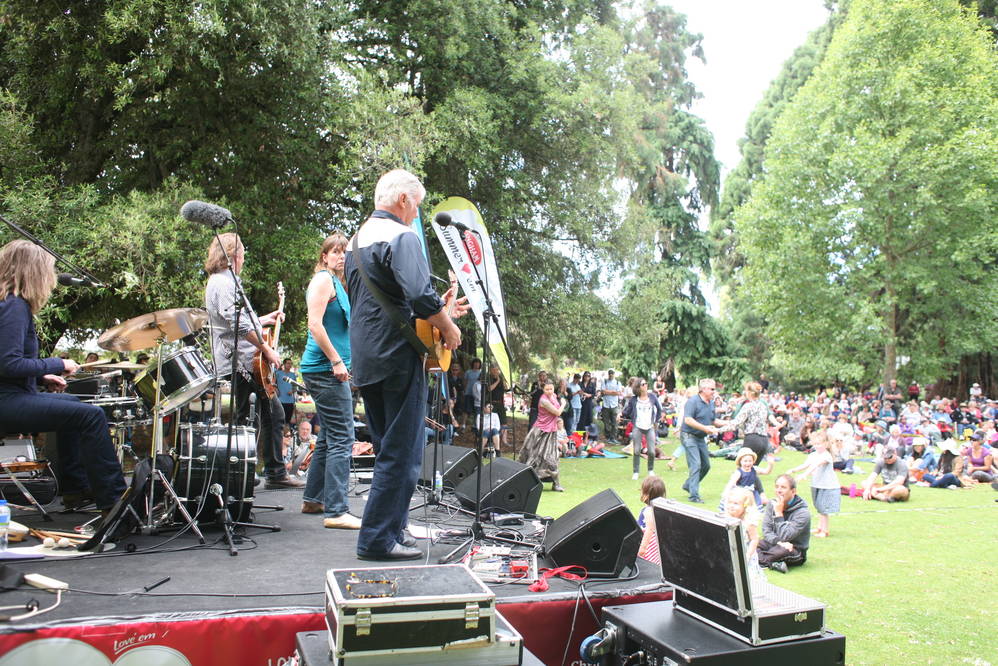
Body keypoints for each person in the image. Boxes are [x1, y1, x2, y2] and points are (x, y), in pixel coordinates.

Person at [345, 169, 466, 560]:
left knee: (387, 450)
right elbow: (417, 294)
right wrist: (447, 326)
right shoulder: (402, 235)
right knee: (403, 453)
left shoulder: (356, 240)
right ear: (402, 200)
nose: (417, 213)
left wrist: (441, 310)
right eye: (416, 204)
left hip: (366, 355)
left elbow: (388, 299)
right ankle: (377, 540)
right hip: (398, 356)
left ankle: (394, 530)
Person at [0, 240, 127, 512]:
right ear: (33, 271)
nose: (52, 278)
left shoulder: (10, 304)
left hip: (12, 393)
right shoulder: (14, 307)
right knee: (90, 416)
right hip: (7, 401)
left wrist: (42, 377)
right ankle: (115, 503)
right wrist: (56, 363)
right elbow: (8, 364)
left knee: (74, 406)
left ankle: (76, 488)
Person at [204, 233, 303, 489]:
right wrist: (266, 349)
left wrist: (263, 319)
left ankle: (246, 472)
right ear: (233, 255)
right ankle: (268, 473)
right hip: (242, 363)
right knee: (267, 415)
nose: (244, 258)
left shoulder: (224, 281)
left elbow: (236, 321)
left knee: (252, 417)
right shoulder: (224, 283)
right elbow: (236, 326)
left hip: (243, 361)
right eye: (243, 253)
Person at [299, 233, 361, 529]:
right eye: (335, 252)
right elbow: (314, 324)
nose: (340, 257)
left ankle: (314, 498)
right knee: (343, 437)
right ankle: (337, 511)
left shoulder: (339, 283)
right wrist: (336, 361)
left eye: (344, 252)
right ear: (324, 256)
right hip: (324, 369)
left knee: (327, 437)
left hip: (329, 369)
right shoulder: (323, 280)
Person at [680, 378, 725, 504]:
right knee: (696, 465)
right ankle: (694, 496)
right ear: (703, 389)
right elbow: (688, 420)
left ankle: (688, 485)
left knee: (706, 465)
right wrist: (705, 428)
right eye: (712, 389)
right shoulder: (692, 401)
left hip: (700, 437)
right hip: (688, 436)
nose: (714, 392)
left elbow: (713, 421)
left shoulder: (710, 403)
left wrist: (730, 423)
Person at [790, 431, 840, 538]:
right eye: (816, 444)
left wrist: (805, 475)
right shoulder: (813, 454)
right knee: (818, 507)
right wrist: (793, 470)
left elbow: (815, 465)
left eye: (820, 444)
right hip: (816, 484)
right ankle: (819, 528)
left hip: (827, 486)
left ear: (826, 444)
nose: (817, 446)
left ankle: (825, 531)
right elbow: (806, 464)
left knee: (823, 509)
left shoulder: (826, 456)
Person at [758, 474, 811, 573]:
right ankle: (772, 563)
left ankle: (757, 560)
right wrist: (778, 542)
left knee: (782, 551)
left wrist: (779, 513)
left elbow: (785, 536)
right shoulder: (771, 504)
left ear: (793, 491)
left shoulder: (803, 513)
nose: (779, 490)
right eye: (777, 487)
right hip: (774, 543)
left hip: (794, 549)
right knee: (751, 544)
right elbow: (766, 530)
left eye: (783, 487)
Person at [519, 382, 564, 491]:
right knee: (535, 457)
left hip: (551, 432)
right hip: (540, 433)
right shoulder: (543, 400)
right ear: (543, 390)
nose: (549, 391)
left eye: (551, 389)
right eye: (547, 389)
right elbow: (557, 412)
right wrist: (563, 403)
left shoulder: (553, 397)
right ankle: (525, 481)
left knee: (552, 458)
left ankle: (556, 484)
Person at [718, 381, 776, 462]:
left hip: (752, 439)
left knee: (743, 469)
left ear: (749, 393)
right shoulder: (763, 406)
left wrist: (718, 430)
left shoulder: (748, 406)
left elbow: (736, 423)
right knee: (752, 469)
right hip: (764, 440)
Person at [621, 378, 663, 480]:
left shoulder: (652, 397)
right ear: (638, 387)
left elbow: (659, 409)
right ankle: (636, 472)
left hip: (649, 427)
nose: (646, 385)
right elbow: (627, 411)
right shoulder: (634, 400)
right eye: (643, 384)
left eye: (646, 383)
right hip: (638, 427)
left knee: (652, 451)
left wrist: (655, 421)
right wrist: (620, 414)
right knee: (636, 451)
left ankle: (650, 470)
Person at [724, 486, 762, 582]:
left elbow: (754, 539)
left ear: (745, 507)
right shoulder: (726, 519)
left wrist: (748, 554)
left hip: (745, 554)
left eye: (736, 504)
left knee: (748, 578)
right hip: (732, 552)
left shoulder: (747, 523)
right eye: (730, 502)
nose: (731, 506)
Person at [636, 475, 666, 564]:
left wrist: (642, 548)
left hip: (647, 549)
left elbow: (649, 530)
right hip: (654, 548)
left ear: (646, 494)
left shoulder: (649, 511)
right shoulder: (659, 509)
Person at [600, 369, 622, 444]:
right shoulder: (604, 381)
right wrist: (613, 392)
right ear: (608, 374)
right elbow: (603, 391)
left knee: (615, 423)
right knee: (606, 422)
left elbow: (618, 393)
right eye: (610, 374)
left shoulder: (617, 382)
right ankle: (608, 437)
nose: (611, 375)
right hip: (606, 404)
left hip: (614, 405)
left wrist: (607, 392)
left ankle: (613, 437)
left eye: (612, 374)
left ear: (614, 374)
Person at [275, 358, 298, 424]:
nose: (289, 365)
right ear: (284, 364)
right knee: (279, 419)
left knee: (287, 420)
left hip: (290, 401)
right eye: (288, 363)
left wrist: (292, 391)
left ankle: (286, 433)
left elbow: (296, 387)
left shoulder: (293, 375)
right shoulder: (278, 373)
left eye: (291, 363)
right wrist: (276, 389)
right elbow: (273, 384)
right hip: (280, 400)